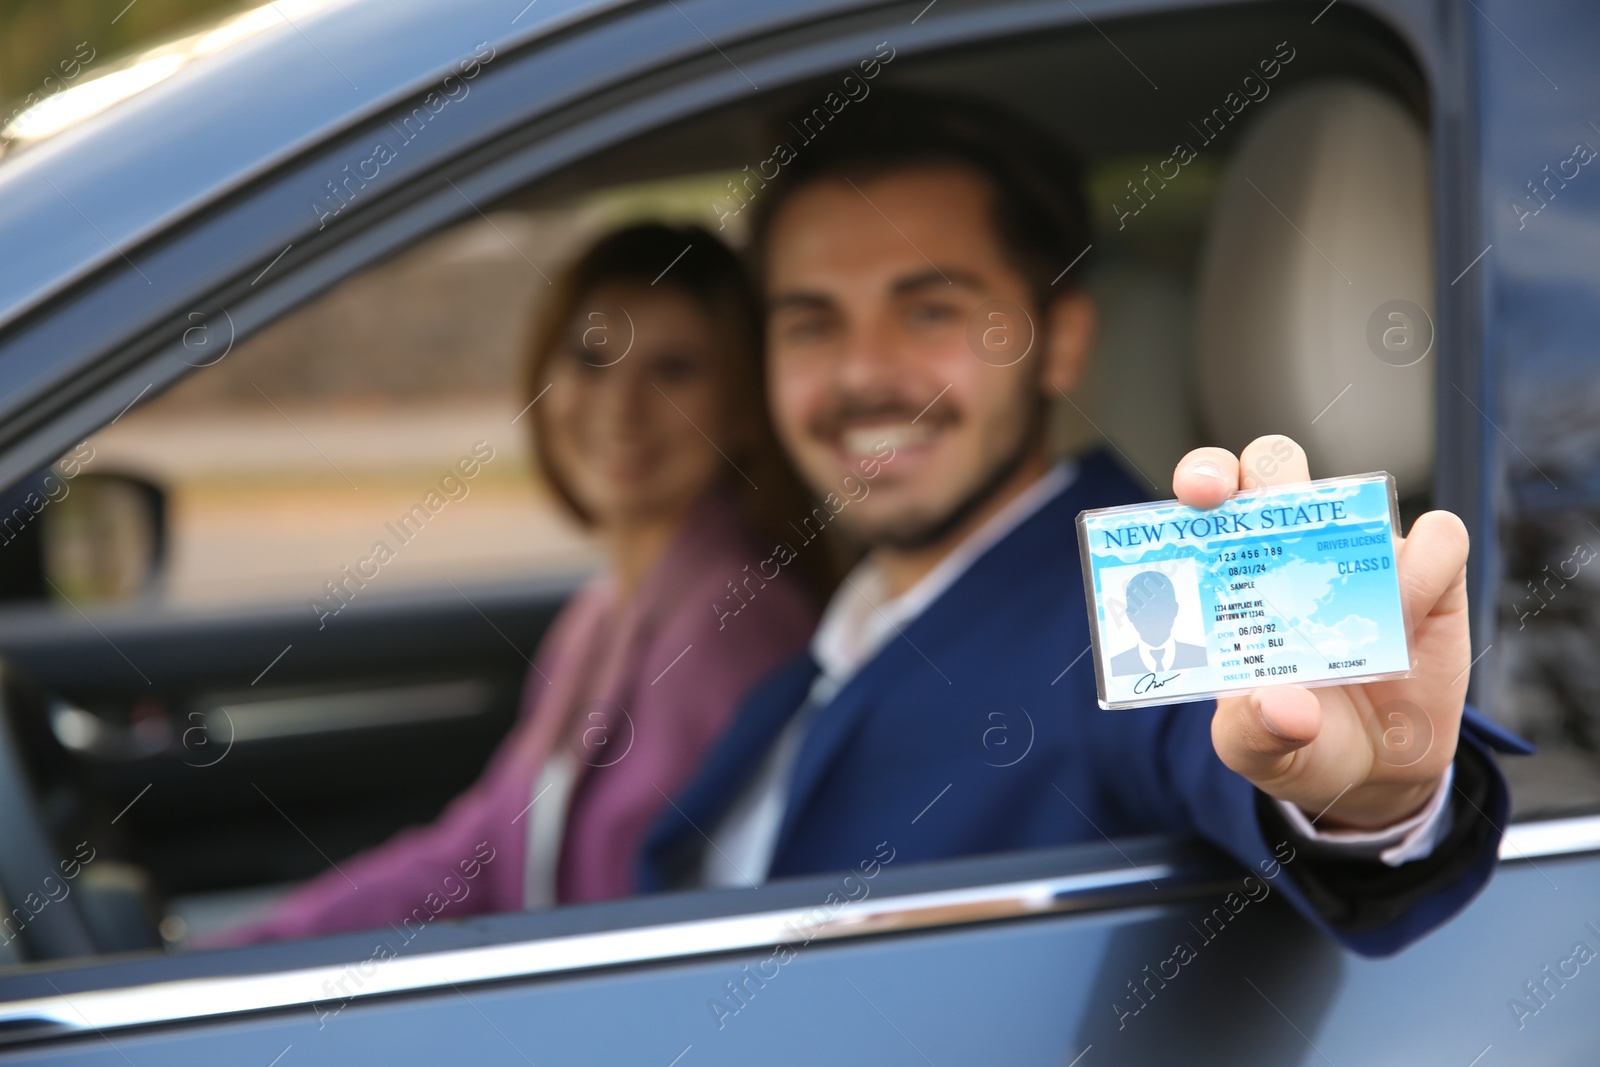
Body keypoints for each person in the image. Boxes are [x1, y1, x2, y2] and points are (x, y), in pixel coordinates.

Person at [640, 94, 1532, 956]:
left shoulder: (1142, 599)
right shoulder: (830, 634)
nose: (863, 371)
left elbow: (1232, 730)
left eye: (929, 311)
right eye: (811, 324)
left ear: (1059, 342)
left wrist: (1374, 795)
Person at [220, 224, 824, 943]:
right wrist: (252, 950)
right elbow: (479, 853)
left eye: (674, 370)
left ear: (746, 408)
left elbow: (679, 940)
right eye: (592, 359)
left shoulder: (736, 627)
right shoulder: (601, 614)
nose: (621, 408)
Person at [1110, 570, 1207, 676]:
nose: (1153, 618)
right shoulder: (1115, 666)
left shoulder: (1201, 657)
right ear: (1130, 616)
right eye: (1144, 610)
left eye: (1161, 607)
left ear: (1174, 609)